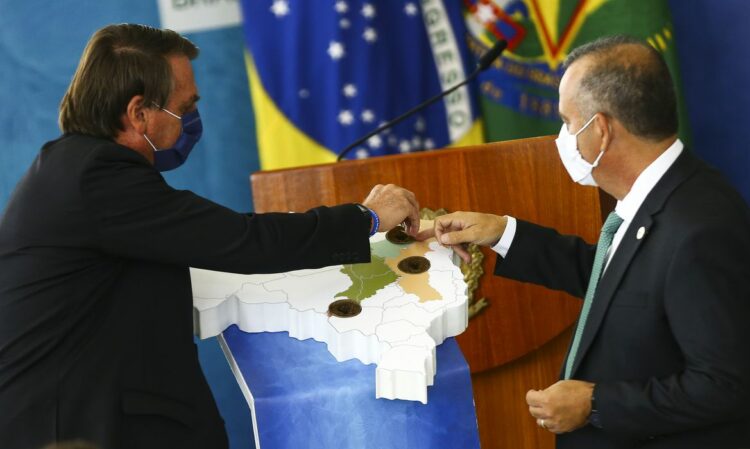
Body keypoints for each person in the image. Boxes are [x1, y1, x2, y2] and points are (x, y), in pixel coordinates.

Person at [0, 24, 420, 449]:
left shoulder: (72, 165)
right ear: (139, 112)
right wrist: (365, 218)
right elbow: (244, 240)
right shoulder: (99, 178)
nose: (191, 120)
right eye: (184, 107)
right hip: (80, 429)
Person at [420, 35, 750, 448]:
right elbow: (618, 283)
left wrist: (596, 403)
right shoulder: (660, 195)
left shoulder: (701, 227)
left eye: (568, 121)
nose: (563, 136)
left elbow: (726, 386)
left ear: (601, 131)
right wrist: (502, 232)